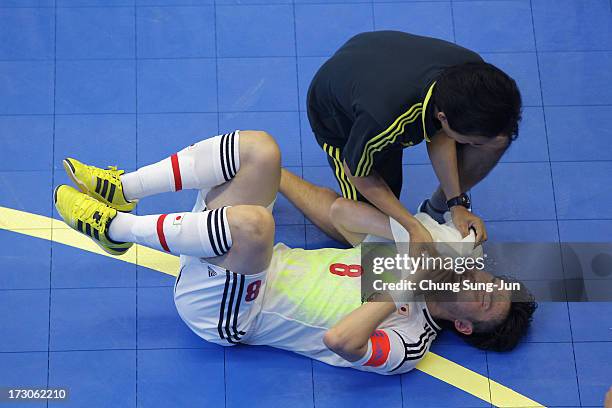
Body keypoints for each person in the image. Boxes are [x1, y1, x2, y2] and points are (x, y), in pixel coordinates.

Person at [54, 130, 535, 375]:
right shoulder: (412, 259)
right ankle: (124, 189)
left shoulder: (411, 343)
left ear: (466, 325)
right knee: (260, 149)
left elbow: (342, 342)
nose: (483, 284)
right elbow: (338, 213)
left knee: (255, 224)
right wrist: (410, 233)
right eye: (491, 281)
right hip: (223, 250)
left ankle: (115, 229)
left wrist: (406, 281)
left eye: (488, 299)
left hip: (228, 308)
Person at [289, 31, 522, 248]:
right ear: (443, 117)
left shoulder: (475, 76)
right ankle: (280, 177)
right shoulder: (382, 120)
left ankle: (438, 208)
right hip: (338, 114)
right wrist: (411, 227)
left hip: (383, 65)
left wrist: (456, 204)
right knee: (361, 227)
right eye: (474, 141)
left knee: (497, 140)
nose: (475, 148)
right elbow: (356, 171)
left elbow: (439, 134)